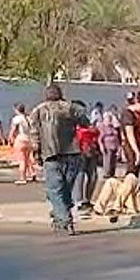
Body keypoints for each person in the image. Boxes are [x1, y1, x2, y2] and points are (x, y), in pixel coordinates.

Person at [30, 85, 89, 235]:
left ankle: (64, 219)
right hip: (72, 154)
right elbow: (85, 122)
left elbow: (34, 134)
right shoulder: (70, 107)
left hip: (51, 155)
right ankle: (60, 216)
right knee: (65, 189)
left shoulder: (38, 110)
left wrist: (36, 154)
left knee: (55, 190)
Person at [73, 100, 100, 214]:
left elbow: (95, 131)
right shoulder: (71, 121)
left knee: (93, 176)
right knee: (80, 175)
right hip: (79, 151)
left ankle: (87, 199)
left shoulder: (86, 120)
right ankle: (79, 201)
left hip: (91, 151)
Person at [9, 103, 35, 184]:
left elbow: (13, 129)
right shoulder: (28, 118)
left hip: (21, 138)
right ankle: (32, 173)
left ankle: (22, 177)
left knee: (21, 159)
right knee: (28, 158)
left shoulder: (17, 119)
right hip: (29, 139)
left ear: (16, 110)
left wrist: (10, 138)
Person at [121, 92, 140, 175]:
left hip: (138, 144)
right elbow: (130, 134)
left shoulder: (136, 115)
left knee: (136, 170)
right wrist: (136, 151)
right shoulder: (128, 114)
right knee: (132, 169)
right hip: (131, 147)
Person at [98, 110, 121, 179]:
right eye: (107, 118)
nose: (109, 119)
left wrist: (119, 146)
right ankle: (107, 173)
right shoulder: (102, 127)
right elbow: (100, 138)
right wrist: (101, 146)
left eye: (110, 118)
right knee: (107, 159)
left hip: (114, 145)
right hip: (107, 145)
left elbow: (117, 136)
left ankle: (112, 173)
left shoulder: (114, 127)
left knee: (114, 160)